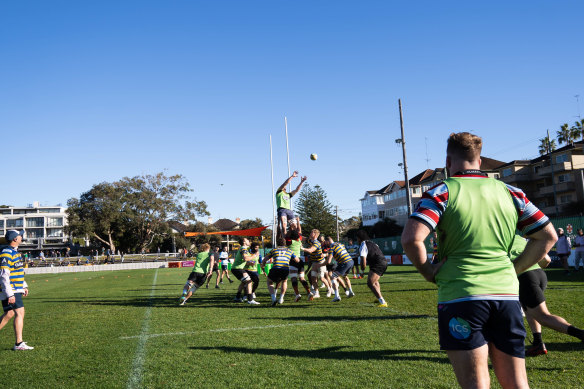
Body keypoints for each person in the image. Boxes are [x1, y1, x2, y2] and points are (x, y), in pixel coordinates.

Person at [401, 132, 556, 389]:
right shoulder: (511, 192)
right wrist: (514, 268)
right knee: (517, 383)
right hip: (506, 295)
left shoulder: (441, 191)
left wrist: (428, 272)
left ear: (448, 162)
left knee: (476, 382)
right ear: (480, 161)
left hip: (461, 296)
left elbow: (411, 239)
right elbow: (547, 236)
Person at [511, 235, 584, 357]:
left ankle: (580, 333)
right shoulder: (519, 238)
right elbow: (547, 260)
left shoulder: (497, 238)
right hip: (539, 273)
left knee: (543, 316)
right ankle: (538, 343)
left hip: (525, 277)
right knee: (530, 311)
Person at [0, 230, 34, 350]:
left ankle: (19, 343)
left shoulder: (14, 252)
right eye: (20, 235)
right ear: (15, 239)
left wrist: (23, 285)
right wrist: (10, 294)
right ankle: (19, 343)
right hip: (11, 289)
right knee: (19, 313)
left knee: (9, 314)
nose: (21, 236)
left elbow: (18, 271)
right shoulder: (7, 253)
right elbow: (4, 275)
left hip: (15, 288)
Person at [262, 237, 300, 306]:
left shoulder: (274, 250)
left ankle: (273, 298)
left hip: (276, 268)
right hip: (285, 268)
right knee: (284, 281)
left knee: (269, 281)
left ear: (277, 243)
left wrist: (263, 267)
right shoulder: (289, 250)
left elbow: (264, 260)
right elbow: (297, 260)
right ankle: (281, 298)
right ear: (285, 243)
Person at [356, 230, 388, 307]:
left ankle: (382, 302)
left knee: (370, 283)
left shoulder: (363, 245)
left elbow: (363, 261)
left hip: (378, 263)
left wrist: (362, 271)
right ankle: (379, 297)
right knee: (375, 281)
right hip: (383, 262)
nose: (357, 240)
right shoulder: (373, 243)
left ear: (359, 238)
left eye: (357, 238)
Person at [276, 171, 307, 237]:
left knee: (295, 226)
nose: (285, 187)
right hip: (282, 210)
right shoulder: (279, 192)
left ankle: (295, 239)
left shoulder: (288, 194)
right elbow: (285, 183)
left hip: (289, 211)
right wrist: (292, 176)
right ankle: (285, 239)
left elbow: (296, 190)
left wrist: (301, 182)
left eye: (285, 187)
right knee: (284, 225)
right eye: (284, 187)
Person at [230, 238, 260, 305]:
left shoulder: (244, 249)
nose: (249, 241)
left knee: (244, 282)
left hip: (236, 268)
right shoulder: (243, 248)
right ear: (244, 242)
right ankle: (250, 299)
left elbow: (246, 259)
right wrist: (255, 255)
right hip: (237, 268)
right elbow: (245, 258)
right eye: (247, 240)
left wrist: (251, 262)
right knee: (249, 281)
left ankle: (237, 297)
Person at [324, 236, 355, 302]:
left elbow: (328, 261)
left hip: (344, 263)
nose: (325, 244)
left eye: (325, 242)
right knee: (345, 276)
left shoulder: (331, 247)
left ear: (327, 241)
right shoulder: (339, 244)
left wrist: (320, 264)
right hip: (350, 261)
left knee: (333, 277)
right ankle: (350, 291)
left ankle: (337, 296)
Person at [302, 229, 329, 300]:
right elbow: (303, 238)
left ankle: (329, 288)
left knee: (322, 278)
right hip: (314, 262)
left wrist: (302, 248)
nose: (310, 233)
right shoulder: (310, 240)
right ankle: (317, 293)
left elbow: (311, 250)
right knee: (313, 278)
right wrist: (296, 233)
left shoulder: (316, 243)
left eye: (312, 232)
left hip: (321, 262)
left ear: (316, 235)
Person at [287, 230, 311, 302]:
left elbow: (284, 235)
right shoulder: (299, 241)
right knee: (302, 278)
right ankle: (309, 292)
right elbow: (300, 235)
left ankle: (297, 294)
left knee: (293, 278)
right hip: (300, 261)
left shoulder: (289, 241)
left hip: (293, 261)